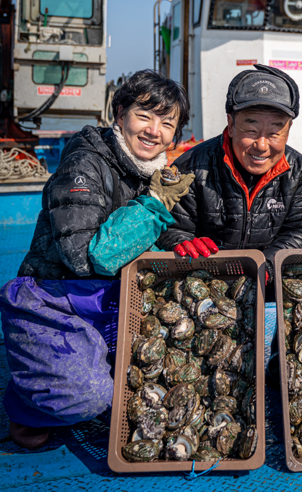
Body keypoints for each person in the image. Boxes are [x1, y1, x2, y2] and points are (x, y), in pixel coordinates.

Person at [0, 70, 195, 448]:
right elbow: (88, 257)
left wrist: (182, 238)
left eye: (167, 122)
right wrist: (155, 206)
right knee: (87, 396)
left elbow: (154, 230)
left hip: (114, 300)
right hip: (54, 299)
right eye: (144, 115)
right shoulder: (84, 164)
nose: (154, 130)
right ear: (119, 114)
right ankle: (27, 404)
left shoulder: (151, 172)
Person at [157, 64, 302, 288]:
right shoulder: (190, 167)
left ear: (288, 130)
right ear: (231, 125)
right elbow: (171, 227)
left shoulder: (300, 172)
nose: (261, 146)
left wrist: (267, 265)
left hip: (269, 284)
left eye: (274, 133)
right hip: (202, 282)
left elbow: (300, 228)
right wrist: (182, 242)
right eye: (251, 131)